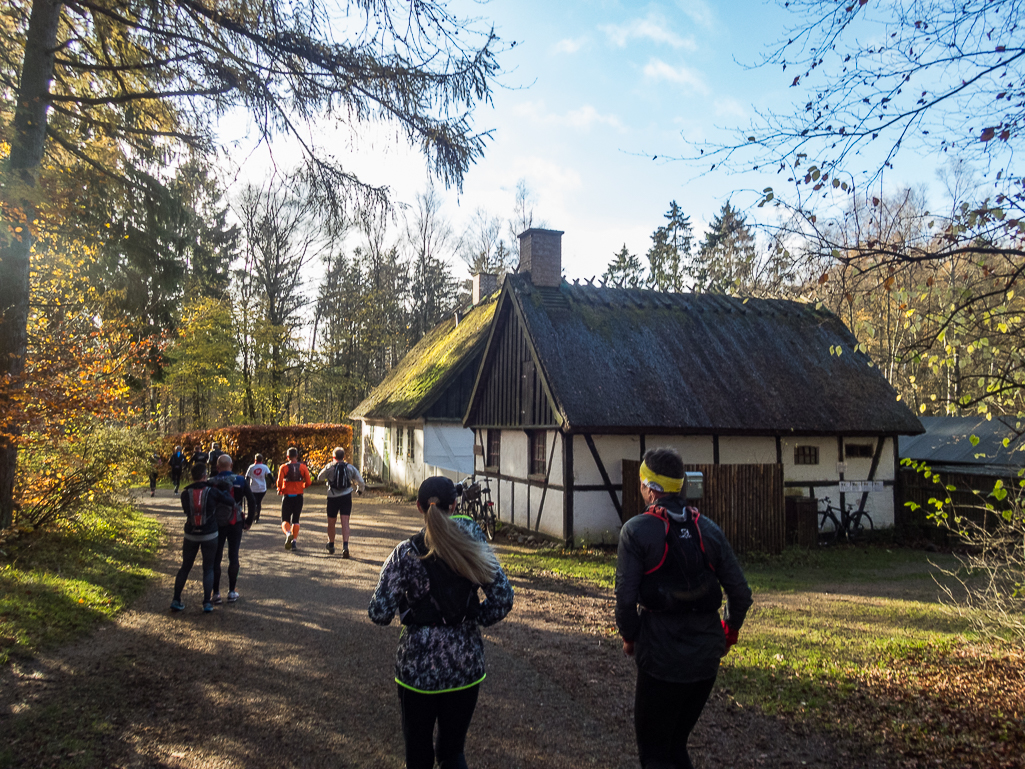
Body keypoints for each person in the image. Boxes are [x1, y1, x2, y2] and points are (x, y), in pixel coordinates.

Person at [615, 447, 753, 769]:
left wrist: (631, 638)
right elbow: (741, 594)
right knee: (676, 745)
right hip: (705, 661)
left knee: (654, 752)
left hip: (661, 661)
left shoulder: (636, 531)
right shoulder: (709, 529)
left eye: (641, 482)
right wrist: (728, 634)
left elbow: (625, 600)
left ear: (650, 487)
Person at [369, 476, 514, 769]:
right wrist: (472, 619)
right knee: (452, 752)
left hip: (417, 671)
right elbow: (503, 597)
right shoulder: (473, 541)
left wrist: (410, 608)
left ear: (419, 507)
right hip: (465, 665)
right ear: (454, 505)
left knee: (418, 755)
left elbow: (379, 612)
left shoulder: (406, 553)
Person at [172, 463, 236, 613]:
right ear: (204, 475)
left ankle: (176, 599)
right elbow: (230, 501)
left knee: (185, 567)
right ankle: (207, 602)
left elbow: (186, 511)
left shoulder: (185, 493)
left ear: (192, 476)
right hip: (210, 534)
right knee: (208, 568)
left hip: (191, 534)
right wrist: (223, 488)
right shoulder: (212, 491)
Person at [209, 454, 257, 604]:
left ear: (217, 468)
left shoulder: (211, 482)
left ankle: (215, 593)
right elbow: (251, 501)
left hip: (217, 522)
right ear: (231, 465)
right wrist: (248, 520)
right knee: (233, 555)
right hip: (235, 521)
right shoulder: (240, 480)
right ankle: (231, 591)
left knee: (216, 558)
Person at [316, 447, 366, 557]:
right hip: (346, 497)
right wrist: (360, 490)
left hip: (332, 497)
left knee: (331, 522)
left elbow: (319, 477)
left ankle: (331, 544)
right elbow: (361, 481)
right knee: (345, 521)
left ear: (333, 457)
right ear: (343, 456)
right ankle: (345, 546)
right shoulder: (349, 467)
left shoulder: (329, 467)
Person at [276, 446, 312, 551]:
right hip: (298, 496)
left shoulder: (283, 467)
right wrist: (302, 486)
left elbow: (279, 481)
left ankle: (288, 534)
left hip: (287, 496)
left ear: (287, 456)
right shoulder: (303, 467)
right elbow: (309, 482)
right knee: (296, 520)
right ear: (297, 455)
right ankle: (294, 541)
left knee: (285, 520)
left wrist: (280, 489)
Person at [244, 453, 272, 523]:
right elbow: (269, 476)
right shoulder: (265, 467)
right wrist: (273, 482)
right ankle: (257, 517)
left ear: (255, 459)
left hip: (253, 488)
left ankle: (252, 515)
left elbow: (247, 477)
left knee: (253, 502)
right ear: (262, 459)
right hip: (262, 488)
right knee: (258, 502)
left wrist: (245, 486)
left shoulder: (251, 467)